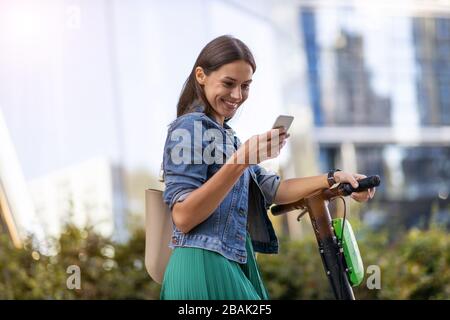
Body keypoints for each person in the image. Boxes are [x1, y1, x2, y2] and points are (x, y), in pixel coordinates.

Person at [160, 35, 376, 300]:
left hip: (230, 262)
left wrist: (335, 178)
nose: (237, 95)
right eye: (229, 83)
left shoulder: (228, 138)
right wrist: (242, 161)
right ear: (201, 75)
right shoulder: (188, 128)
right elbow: (183, 217)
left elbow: (275, 189)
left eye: (246, 85)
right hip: (203, 265)